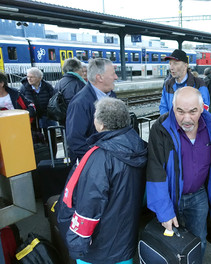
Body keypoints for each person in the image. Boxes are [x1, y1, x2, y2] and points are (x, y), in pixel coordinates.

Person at [57, 97, 147, 264]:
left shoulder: (100, 157)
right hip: (125, 242)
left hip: (99, 249)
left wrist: (77, 244)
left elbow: (89, 203)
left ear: (101, 124)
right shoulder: (139, 146)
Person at [146, 86, 211, 259]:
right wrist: (164, 210)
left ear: (202, 108)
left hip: (199, 196)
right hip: (170, 196)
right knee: (170, 244)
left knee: (200, 240)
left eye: (193, 111)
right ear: (173, 107)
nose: (186, 118)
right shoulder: (161, 129)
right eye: (180, 111)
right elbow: (155, 171)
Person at [66, 58, 118, 163]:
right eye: (113, 74)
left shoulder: (111, 96)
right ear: (99, 77)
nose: (116, 77)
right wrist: (99, 158)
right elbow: (75, 140)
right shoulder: (80, 103)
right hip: (94, 163)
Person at [159, 49, 210, 115]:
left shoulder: (199, 84)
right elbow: (163, 107)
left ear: (185, 66)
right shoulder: (167, 84)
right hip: (171, 124)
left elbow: (204, 109)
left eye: (175, 63)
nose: (171, 67)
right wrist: (170, 122)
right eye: (170, 63)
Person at [20, 67, 57, 154]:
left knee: (51, 138)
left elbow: (53, 100)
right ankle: (40, 157)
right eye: (28, 76)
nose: (29, 79)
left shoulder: (47, 86)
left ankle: (53, 156)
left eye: (32, 77)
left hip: (48, 116)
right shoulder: (24, 88)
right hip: (33, 119)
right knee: (37, 139)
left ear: (39, 78)